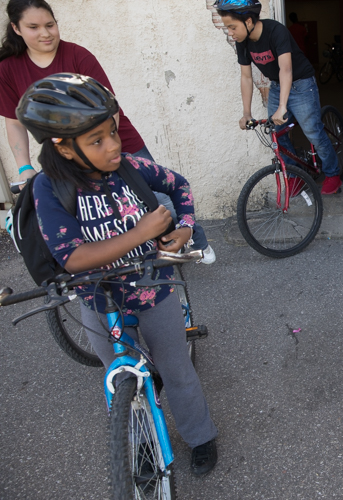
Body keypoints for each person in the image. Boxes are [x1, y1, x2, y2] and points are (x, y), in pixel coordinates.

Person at [16, 73, 219, 476]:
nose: (113, 146)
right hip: (98, 301)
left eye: (113, 132)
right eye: (97, 140)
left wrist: (183, 228)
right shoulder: (48, 187)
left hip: (154, 290)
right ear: (63, 147)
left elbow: (179, 186)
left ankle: (200, 437)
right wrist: (140, 232)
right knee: (119, 380)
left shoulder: (128, 168)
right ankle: (140, 441)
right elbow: (74, 257)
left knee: (177, 371)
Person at [0, 0, 216, 263]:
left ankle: (195, 241)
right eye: (34, 27)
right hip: (77, 155)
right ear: (16, 28)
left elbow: (109, 108)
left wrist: (105, 144)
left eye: (50, 24)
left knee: (157, 198)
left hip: (120, 141)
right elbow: (13, 122)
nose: (45, 33)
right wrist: (24, 168)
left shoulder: (78, 55)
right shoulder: (9, 68)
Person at [215, 0, 343, 195]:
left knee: (313, 132)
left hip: (301, 84)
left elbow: (286, 69)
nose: (230, 33)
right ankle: (294, 175)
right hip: (276, 85)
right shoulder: (243, 42)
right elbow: (246, 77)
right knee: (276, 133)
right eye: (227, 28)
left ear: (248, 21)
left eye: (232, 27)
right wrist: (246, 113)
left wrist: (282, 106)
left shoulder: (276, 31)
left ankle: (333, 174)